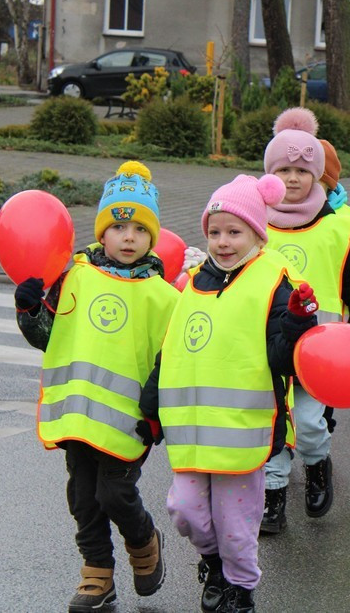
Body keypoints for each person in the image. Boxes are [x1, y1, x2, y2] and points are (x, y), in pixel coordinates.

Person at [140, 173, 318, 613]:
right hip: (194, 432)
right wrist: (151, 408)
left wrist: (296, 321)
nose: (223, 242)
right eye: (215, 232)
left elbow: (284, 358)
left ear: (257, 234)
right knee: (185, 510)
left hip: (245, 432)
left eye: (234, 232)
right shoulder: (195, 282)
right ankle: (213, 563)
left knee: (237, 526)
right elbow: (172, 350)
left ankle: (240, 586)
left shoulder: (274, 281)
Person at [15, 161, 176, 613]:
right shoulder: (75, 278)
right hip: (78, 414)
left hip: (130, 422)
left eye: (140, 229)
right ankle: (97, 576)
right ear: (102, 233)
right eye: (119, 226)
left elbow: (173, 362)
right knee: (83, 498)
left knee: (115, 494)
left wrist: (157, 414)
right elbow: (49, 336)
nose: (129, 237)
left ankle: (144, 543)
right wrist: (29, 311)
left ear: (152, 237)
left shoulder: (164, 296)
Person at [259, 108, 350, 533]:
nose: (293, 178)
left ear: (318, 176)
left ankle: (316, 465)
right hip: (268, 347)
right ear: (270, 176)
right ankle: (272, 496)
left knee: (310, 423)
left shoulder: (337, 228)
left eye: (302, 170)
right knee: (272, 424)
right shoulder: (254, 228)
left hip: (322, 351)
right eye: (284, 169)